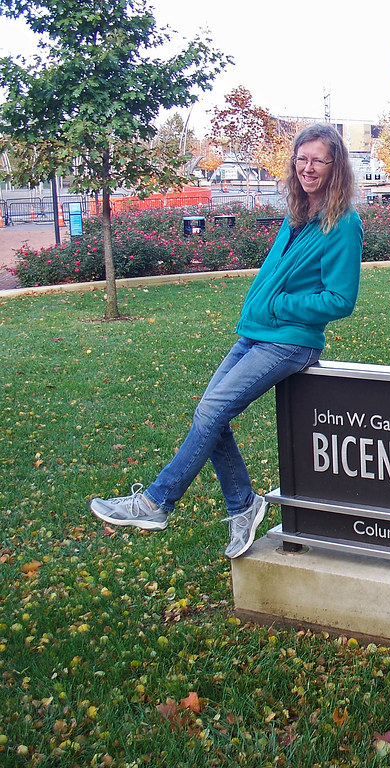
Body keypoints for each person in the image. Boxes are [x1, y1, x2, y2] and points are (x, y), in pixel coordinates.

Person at [90, 123, 362, 559]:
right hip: (255, 334)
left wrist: (278, 307)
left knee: (211, 410)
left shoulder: (342, 224)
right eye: (302, 158)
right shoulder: (297, 213)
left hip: (290, 342)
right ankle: (243, 505)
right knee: (209, 415)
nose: (308, 168)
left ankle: (155, 502)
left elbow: (340, 299)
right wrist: (264, 307)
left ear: (336, 167)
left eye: (319, 161)